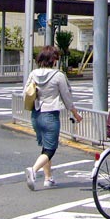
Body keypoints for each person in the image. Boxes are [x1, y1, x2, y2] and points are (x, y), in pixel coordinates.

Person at [24, 45, 82, 191]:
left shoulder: (33, 74)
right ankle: (33, 170)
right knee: (50, 149)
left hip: (36, 114)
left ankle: (48, 178)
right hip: (50, 115)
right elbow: (67, 97)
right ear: (53, 60)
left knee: (45, 147)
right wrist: (75, 113)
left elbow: (26, 91)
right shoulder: (58, 76)